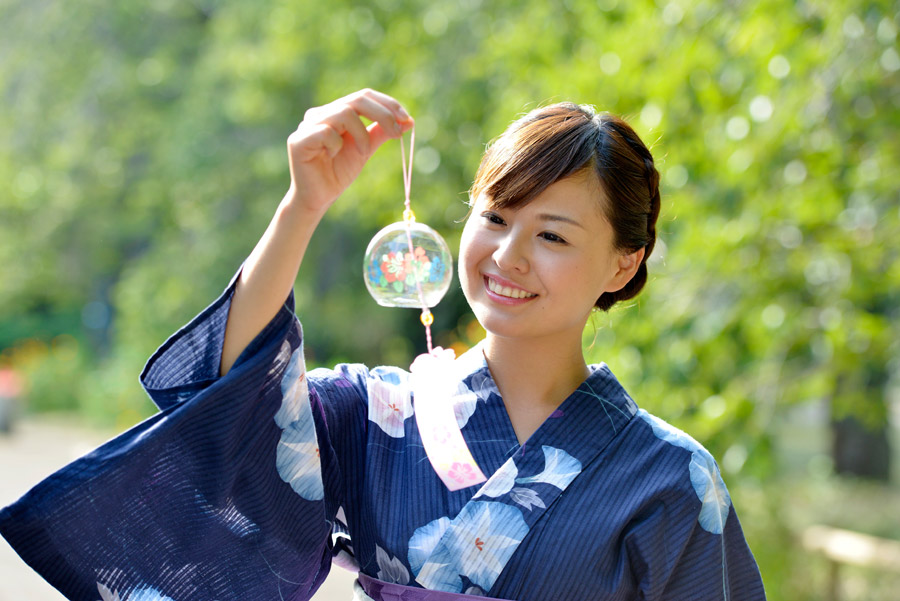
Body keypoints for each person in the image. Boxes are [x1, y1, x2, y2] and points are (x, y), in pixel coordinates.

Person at [0, 89, 765, 600]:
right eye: (495, 218)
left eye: (552, 235)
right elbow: (228, 400)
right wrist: (301, 207)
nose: (507, 257)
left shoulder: (668, 478)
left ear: (624, 263)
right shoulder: (378, 416)